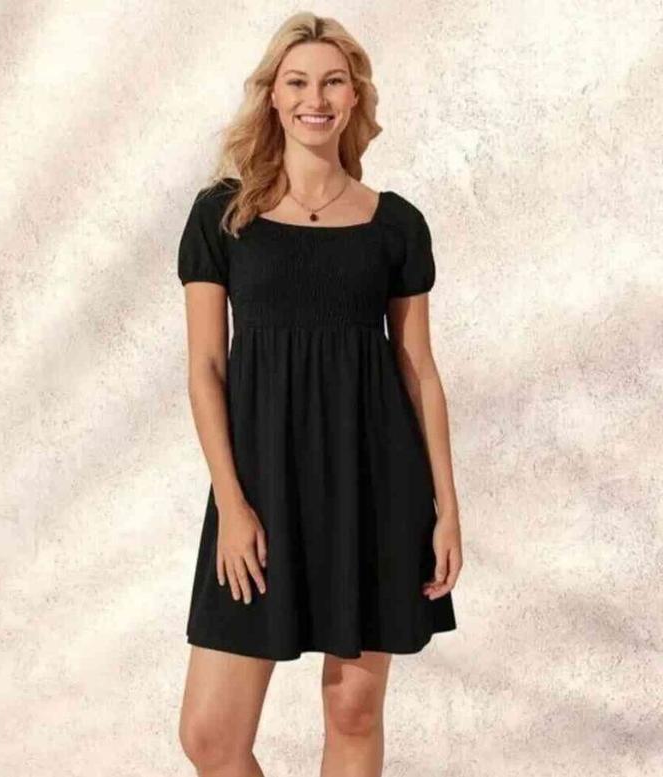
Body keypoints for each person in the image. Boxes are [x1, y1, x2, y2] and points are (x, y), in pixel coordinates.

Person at [176, 12, 462, 777]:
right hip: (260, 489)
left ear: (353, 96)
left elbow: (419, 368)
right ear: (272, 96)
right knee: (211, 735)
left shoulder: (395, 225)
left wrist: (447, 508)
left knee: (352, 710)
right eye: (297, 82)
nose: (315, 98)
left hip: (375, 486)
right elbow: (205, 367)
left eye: (333, 81)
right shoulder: (222, 216)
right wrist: (232, 503)